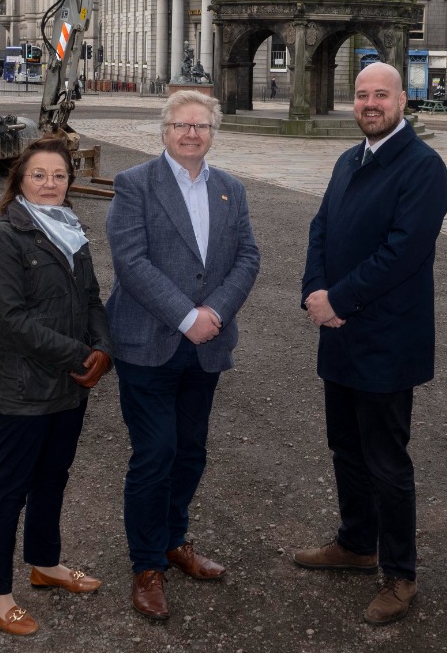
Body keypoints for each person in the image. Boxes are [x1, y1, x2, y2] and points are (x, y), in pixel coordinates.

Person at [296, 62, 447, 626]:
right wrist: (315, 290)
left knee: (387, 460)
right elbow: (321, 228)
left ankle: (401, 574)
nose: (369, 103)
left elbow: (402, 253)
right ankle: (357, 543)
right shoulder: (348, 158)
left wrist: (338, 299)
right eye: (362, 95)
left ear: (402, 99)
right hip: (339, 333)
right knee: (344, 447)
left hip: (386, 337)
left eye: (380, 95)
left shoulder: (422, 167)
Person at [104, 92, 261, 621]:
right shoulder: (134, 184)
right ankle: (146, 565)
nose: (191, 133)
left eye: (201, 125)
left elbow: (247, 256)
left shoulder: (230, 189)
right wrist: (185, 316)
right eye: (181, 125)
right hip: (148, 344)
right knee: (155, 454)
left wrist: (213, 311)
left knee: (191, 451)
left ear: (213, 132)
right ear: (164, 130)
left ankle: (174, 540)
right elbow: (131, 261)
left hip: (207, 345)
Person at [0, 137, 115, 638]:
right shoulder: (2, 238)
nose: (50, 183)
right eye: (39, 175)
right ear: (19, 181)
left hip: (70, 386)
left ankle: (45, 563)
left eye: (59, 175)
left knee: (53, 477)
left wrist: (104, 348)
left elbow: (93, 298)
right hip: (23, 387)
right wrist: (83, 356)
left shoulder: (70, 230)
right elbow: (10, 321)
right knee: (10, 489)